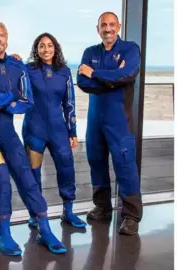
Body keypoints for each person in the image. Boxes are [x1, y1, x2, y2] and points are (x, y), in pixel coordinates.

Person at [0, 20, 67, 256]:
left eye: (1, 35)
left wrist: (6, 103)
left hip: (8, 133)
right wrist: (11, 97)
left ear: (7, 38)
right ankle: (3, 233)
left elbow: (27, 101)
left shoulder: (17, 66)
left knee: (27, 177)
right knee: (1, 177)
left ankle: (44, 228)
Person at [76, 11, 142, 235]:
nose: (108, 29)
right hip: (95, 120)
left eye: (112, 24)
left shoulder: (130, 49)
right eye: (104, 25)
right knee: (96, 162)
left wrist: (95, 72)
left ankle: (131, 216)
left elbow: (128, 75)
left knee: (125, 165)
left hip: (119, 121)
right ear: (98, 29)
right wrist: (113, 78)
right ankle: (102, 207)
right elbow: (82, 82)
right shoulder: (90, 51)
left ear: (119, 26)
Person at [22, 33, 87, 228]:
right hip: (34, 129)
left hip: (59, 130)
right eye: (42, 46)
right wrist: (13, 59)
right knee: (33, 174)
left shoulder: (64, 71)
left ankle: (68, 212)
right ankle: (36, 213)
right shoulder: (28, 70)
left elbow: (70, 103)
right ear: (36, 49)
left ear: (55, 48)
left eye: (49, 45)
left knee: (66, 168)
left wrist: (72, 130)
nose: (46, 49)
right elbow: (12, 77)